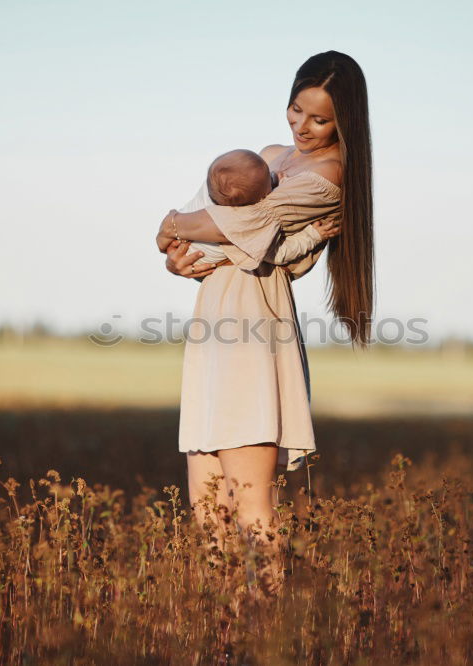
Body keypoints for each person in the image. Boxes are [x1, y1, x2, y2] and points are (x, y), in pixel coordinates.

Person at [155, 50, 375, 595]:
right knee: (207, 508)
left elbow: (241, 222)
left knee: (252, 507)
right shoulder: (267, 157)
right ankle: (222, 633)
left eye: (320, 119)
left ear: (344, 121)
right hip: (211, 325)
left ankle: (270, 635)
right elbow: (201, 229)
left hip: (255, 329)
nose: (302, 127)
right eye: (296, 110)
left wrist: (177, 226)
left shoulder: (329, 176)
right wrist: (174, 252)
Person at [182, 148, 337, 266]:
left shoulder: (215, 187)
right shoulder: (246, 226)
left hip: (181, 235)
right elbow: (279, 253)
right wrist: (313, 236)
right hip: (197, 258)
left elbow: (174, 222)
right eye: (270, 179)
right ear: (261, 199)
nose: (275, 175)